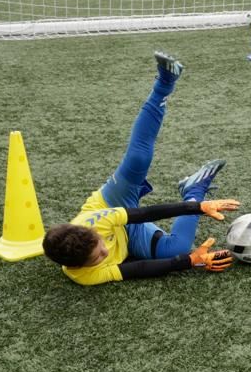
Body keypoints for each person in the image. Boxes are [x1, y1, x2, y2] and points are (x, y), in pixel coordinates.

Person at [42, 52, 240, 285]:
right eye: (98, 256)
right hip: (130, 237)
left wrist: (198, 208)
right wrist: (190, 260)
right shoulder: (84, 276)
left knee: (138, 159)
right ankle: (194, 188)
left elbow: (144, 214)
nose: (105, 251)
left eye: (99, 243)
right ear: (78, 266)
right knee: (179, 248)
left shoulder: (93, 222)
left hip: (111, 204)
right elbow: (137, 268)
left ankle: (165, 83)